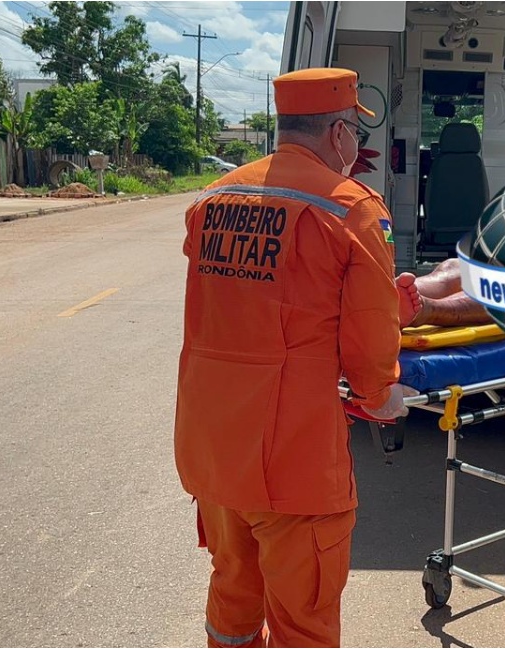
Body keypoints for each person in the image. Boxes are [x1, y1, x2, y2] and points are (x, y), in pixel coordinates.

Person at [175, 67, 412, 648]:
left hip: (214, 450)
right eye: (356, 133)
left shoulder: (213, 198)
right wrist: (385, 398)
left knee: (233, 592)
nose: (357, 148)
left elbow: (248, 301)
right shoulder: (351, 208)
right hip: (294, 462)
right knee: (303, 617)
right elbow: (367, 340)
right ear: (338, 132)